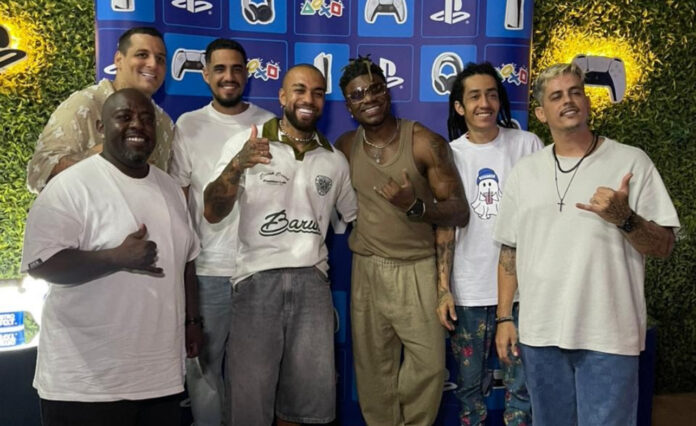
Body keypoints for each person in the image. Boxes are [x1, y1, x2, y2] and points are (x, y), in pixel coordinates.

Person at [494, 63, 679, 426]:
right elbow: (509, 249)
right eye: (556, 96)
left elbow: (664, 246)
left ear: (587, 102)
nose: (568, 101)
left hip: (609, 334)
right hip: (540, 334)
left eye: (575, 92)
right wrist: (504, 317)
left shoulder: (631, 161)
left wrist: (625, 217)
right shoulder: (525, 172)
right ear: (540, 113)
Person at [21, 88, 202, 426]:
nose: (138, 125)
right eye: (124, 117)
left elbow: (187, 261)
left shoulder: (170, 189)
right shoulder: (70, 186)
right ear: (101, 128)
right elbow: (41, 264)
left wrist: (193, 322)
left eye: (146, 119)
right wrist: (116, 258)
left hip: (160, 378)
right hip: (85, 385)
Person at [203, 64, 357, 426]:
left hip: (312, 284)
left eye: (317, 93)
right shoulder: (248, 143)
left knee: (305, 406)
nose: (309, 99)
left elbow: (355, 216)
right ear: (283, 96)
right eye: (299, 90)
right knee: (249, 404)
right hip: (256, 282)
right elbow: (212, 211)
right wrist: (236, 166)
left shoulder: (334, 160)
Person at [335, 56, 469, 426]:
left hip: (416, 268)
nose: (368, 98)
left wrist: (415, 206)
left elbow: (459, 211)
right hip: (367, 269)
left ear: (387, 92)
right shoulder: (345, 146)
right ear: (348, 106)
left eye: (375, 89)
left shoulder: (425, 142)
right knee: (373, 370)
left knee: (429, 368)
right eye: (357, 95)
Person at [168, 38, 274, 426]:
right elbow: (180, 200)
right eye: (220, 69)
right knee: (204, 371)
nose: (229, 77)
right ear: (206, 74)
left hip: (258, 271)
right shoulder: (188, 125)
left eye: (236, 69)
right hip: (208, 269)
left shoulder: (269, 123)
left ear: (247, 74)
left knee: (257, 375)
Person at [438, 62, 541, 426]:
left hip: (521, 291)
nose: (485, 103)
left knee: (522, 389)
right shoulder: (448, 154)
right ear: (459, 106)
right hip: (468, 291)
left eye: (492, 95)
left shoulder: (527, 144)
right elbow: (445, 227)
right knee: (469, 391)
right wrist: (443, 288)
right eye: (475, 96)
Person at [27, 26, 174, 193]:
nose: (153, 64)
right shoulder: (85, 104)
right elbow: (39, 173)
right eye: (142, 55)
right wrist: (102, 156)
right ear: (118, 60)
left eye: (160, 59)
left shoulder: (165, 122)